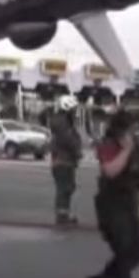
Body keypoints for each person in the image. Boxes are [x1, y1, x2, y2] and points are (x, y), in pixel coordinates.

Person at [86, 109, 139, 278]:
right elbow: (111, 171)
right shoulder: (108, 145)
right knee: (124, 251)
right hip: (111, 204)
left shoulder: (138, 146)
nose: (134, 132)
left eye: (135, 128)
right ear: (120, 129)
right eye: (130, 128)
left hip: (130, 202)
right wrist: (126, 151)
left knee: (137, 250)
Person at [45, 94, 82, 226]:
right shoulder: (63, 124)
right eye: (73, 109)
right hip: (63, 161)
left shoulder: (63, 122)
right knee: (64, 188)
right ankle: (61, 216)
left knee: (68, 187)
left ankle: (64, 214)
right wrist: (77, 151)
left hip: (64, 160)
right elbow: (68, 140)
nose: (75, 113)